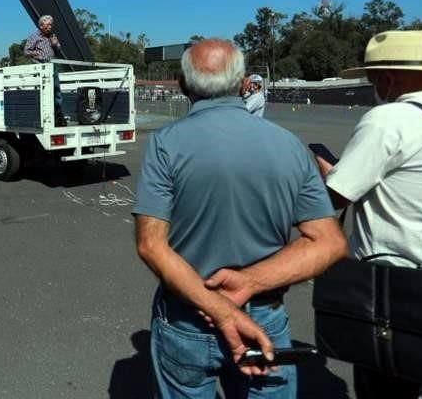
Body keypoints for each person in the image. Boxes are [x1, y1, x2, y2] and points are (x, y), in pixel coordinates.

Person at [134, 38, 346, 399]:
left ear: (183, 86)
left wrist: (218, 308)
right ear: (244, 83)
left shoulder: (166, 143)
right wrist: (249, 282)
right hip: (263, 317)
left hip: (189, 315)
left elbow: (151, 244)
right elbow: (329, 242)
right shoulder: (289, 145)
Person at [313, 30, 422, 399]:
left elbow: (335, 197)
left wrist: (327, 171)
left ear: (388, 78)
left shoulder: (390, 120)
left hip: (404, 292)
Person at [23, 14, 66, 126]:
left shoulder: (52, 36)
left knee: (56, 91)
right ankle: (45, 116)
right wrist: (37, 54)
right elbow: (26, 51)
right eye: (47, 25)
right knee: (44, 93)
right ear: (41, 26)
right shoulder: (34, 36)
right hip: (41, 67)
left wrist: (55, 45)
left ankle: (58, 116)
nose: (50, 27)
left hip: (53, 66)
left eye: (51, 25)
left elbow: (58, 51)